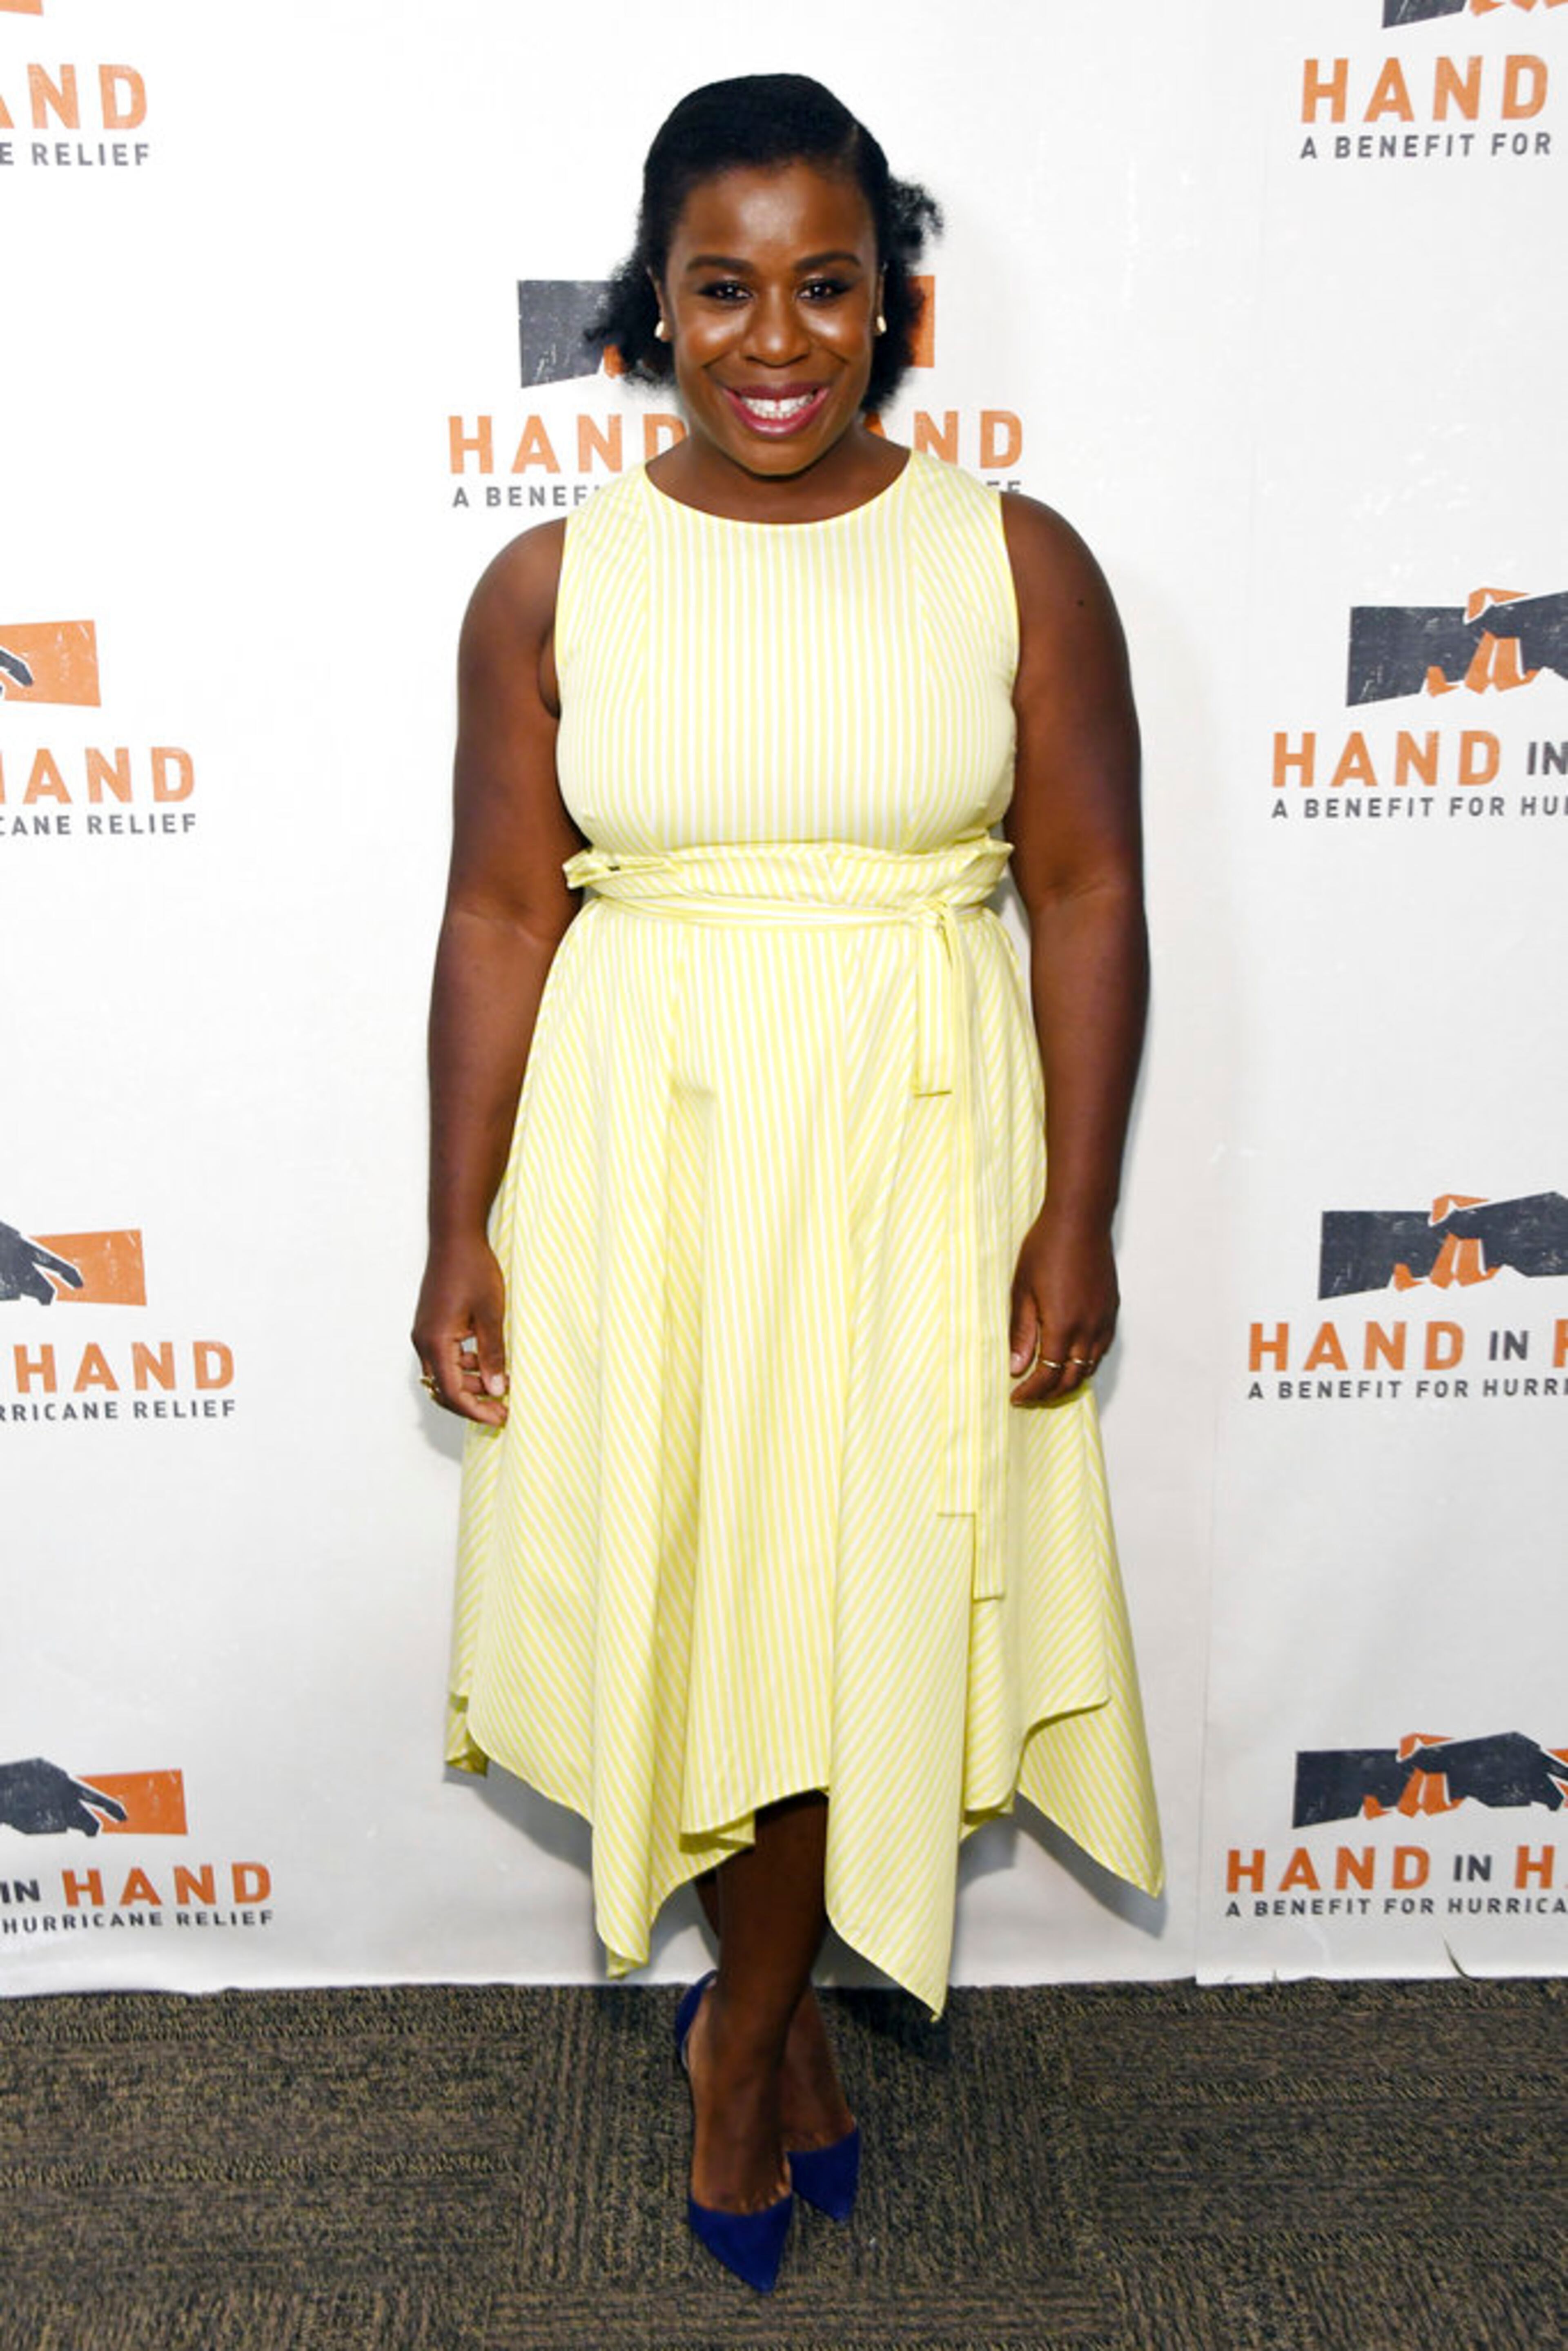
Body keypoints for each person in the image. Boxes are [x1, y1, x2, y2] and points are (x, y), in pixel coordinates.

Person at [413, 71, 1163, 2292]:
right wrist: (458, 1217)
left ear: (892, 302)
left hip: (921, 1147)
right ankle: (781, 2035)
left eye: (824, 287)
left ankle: (741, 2037)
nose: (774, 340)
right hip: (646, 1147)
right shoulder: (549, 579)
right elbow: (494, 917)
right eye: (722, 288)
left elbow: (1096, 888)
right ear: (652, 309)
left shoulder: (1013, 556)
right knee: (711, 1579)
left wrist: (1083, 1204)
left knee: (857, 1590)